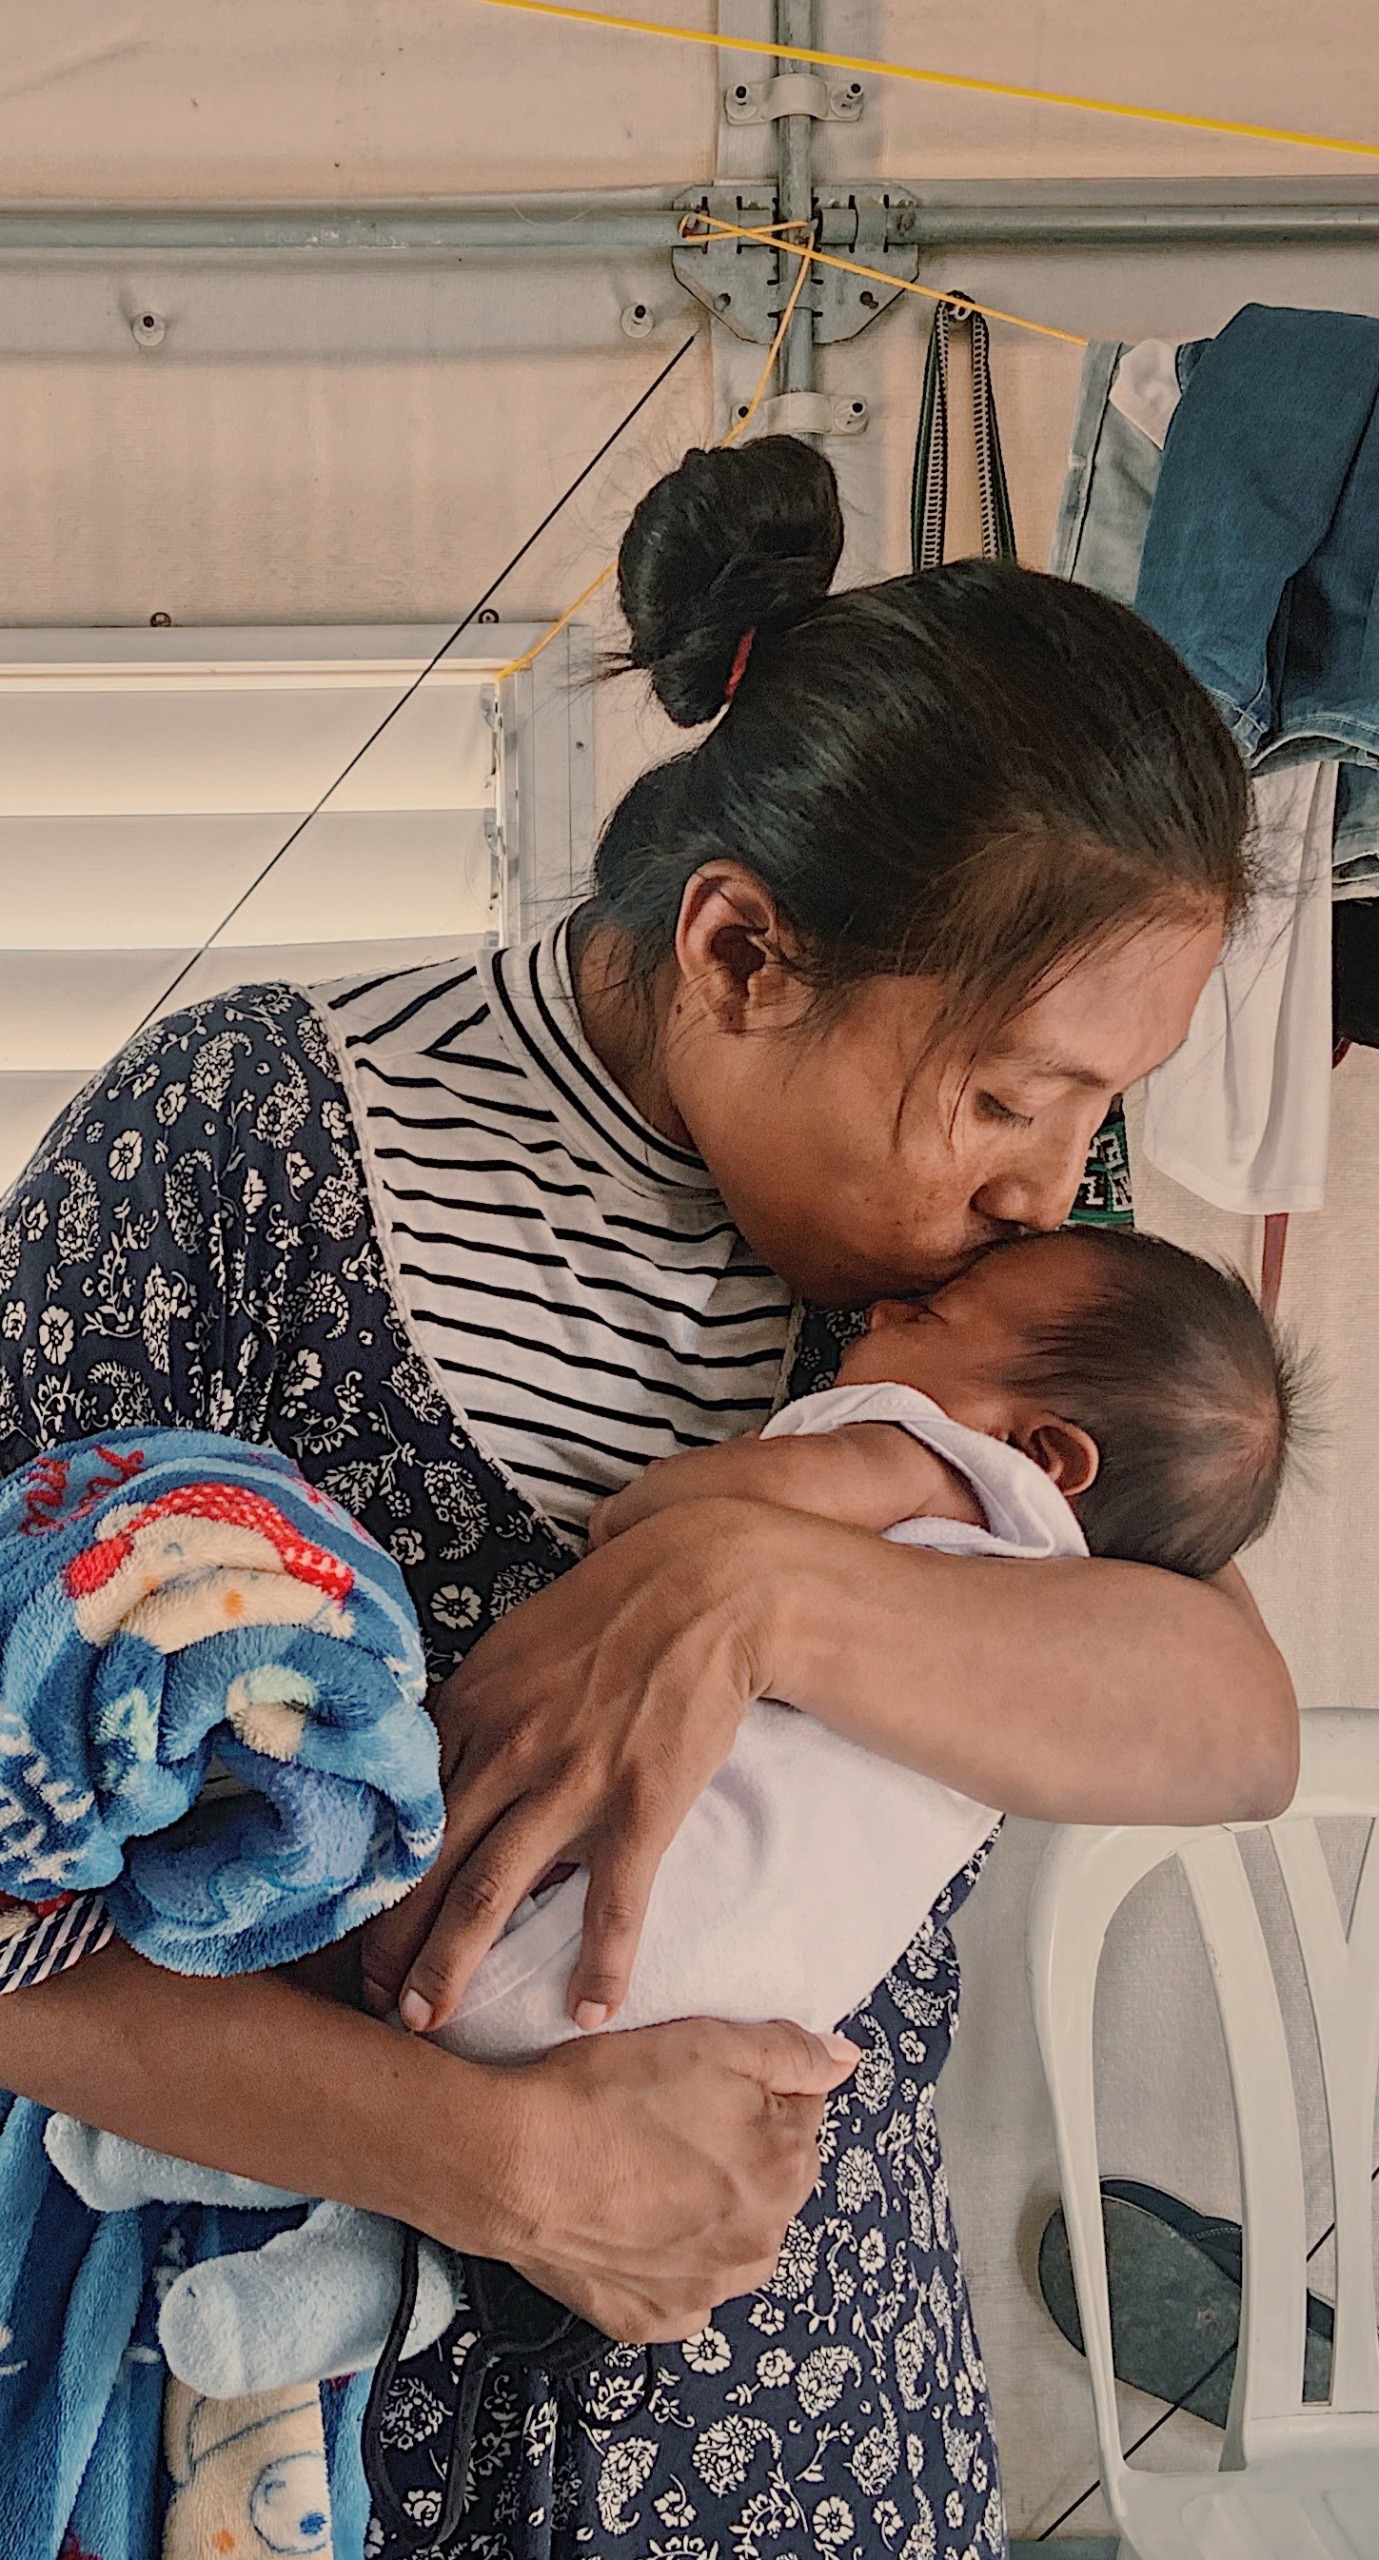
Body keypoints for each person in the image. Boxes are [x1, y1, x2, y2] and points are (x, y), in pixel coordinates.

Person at [0, 433, 1296, 2560]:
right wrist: (498, 2163)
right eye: (1003, 1092)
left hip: (821, 2453)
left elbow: (1227, 1716)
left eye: (1098, 1113)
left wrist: (764, 1595)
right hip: (284, 2456)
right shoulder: (242, 1153)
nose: (1052, 1181)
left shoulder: (1001, 1268)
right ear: (738, 952)